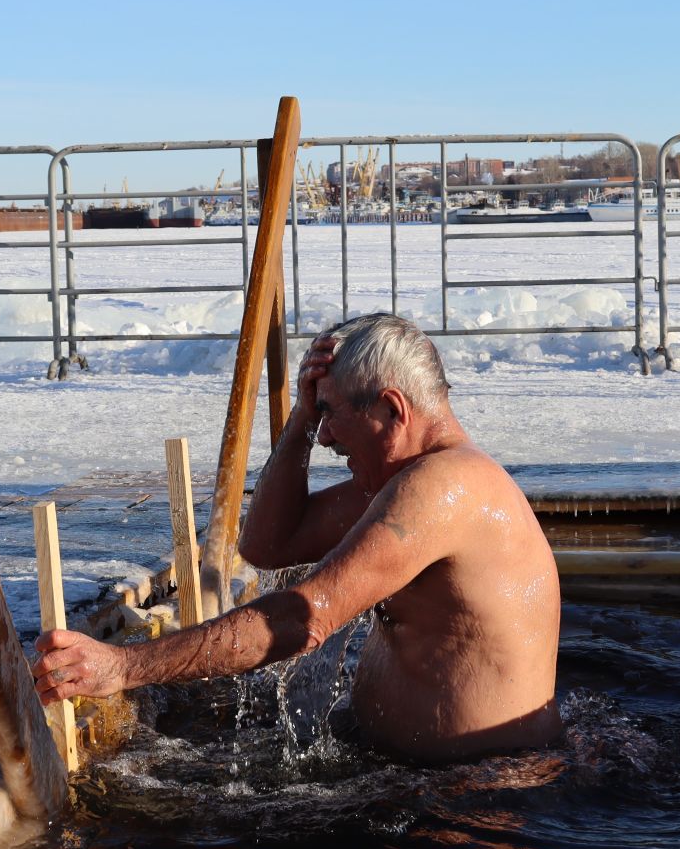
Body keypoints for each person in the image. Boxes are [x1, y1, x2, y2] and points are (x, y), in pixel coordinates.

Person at [30, 312, 563, 763]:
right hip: (416, 781)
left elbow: (300, 619)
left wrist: (123, 668)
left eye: (330, 414)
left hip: (482, 803)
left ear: (392, 411)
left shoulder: (446, 487)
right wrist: (300, 421)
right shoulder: (404, 482)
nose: (325, 436)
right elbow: (268, 545)